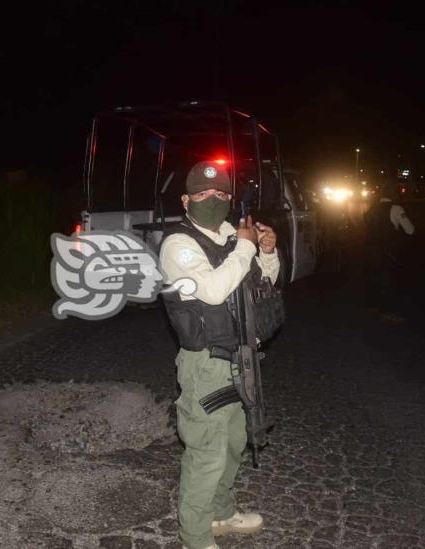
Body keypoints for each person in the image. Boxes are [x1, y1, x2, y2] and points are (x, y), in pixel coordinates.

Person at [160, 161, 280, 549]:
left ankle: (221, 513)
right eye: (202, 194)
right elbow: (212, 290)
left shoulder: (231, 234)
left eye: (221, 194)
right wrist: (245, 246)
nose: (213, 199)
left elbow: (261, 285)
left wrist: (266, 252)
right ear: (185, 200)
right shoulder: (177, 244)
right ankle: (195, 537)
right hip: (205, 364)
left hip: (239, 357)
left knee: (233, 442)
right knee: (207, 452)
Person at [363, 180, 415, 321]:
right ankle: (387, 312)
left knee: (373, 278)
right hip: (387, 251)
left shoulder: (372, 207)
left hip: (369, 249)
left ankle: (372, 306)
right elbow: (410, 230)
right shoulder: (396, 208)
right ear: (394, 193)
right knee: (388, 281)